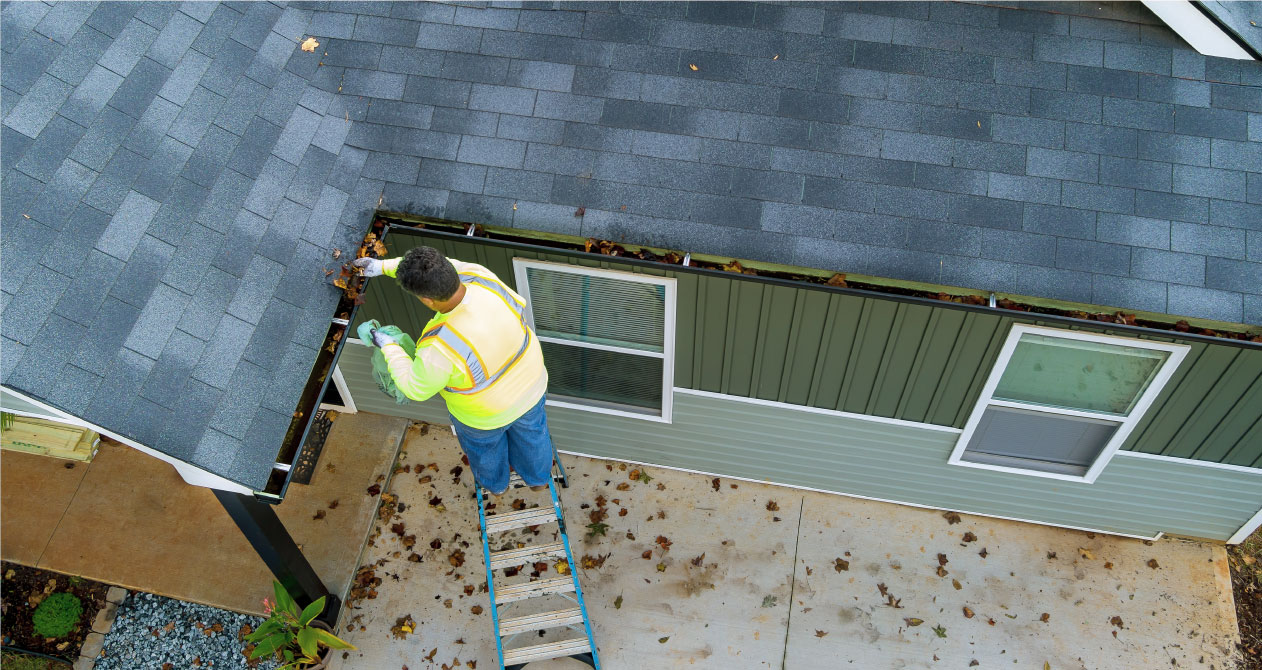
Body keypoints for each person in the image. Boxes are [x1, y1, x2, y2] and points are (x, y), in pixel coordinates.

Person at [353, 248, 554, 496]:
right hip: (531, 386)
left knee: (486, 451)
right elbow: (435, 269)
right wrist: (383, 267)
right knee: (533, 438)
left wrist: (389, 346)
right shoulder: (479, 276)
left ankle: (498, 487)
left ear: (426, 300)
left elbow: (415, 388)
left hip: (484, 416)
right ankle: (538, 481)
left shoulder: (440, 346)